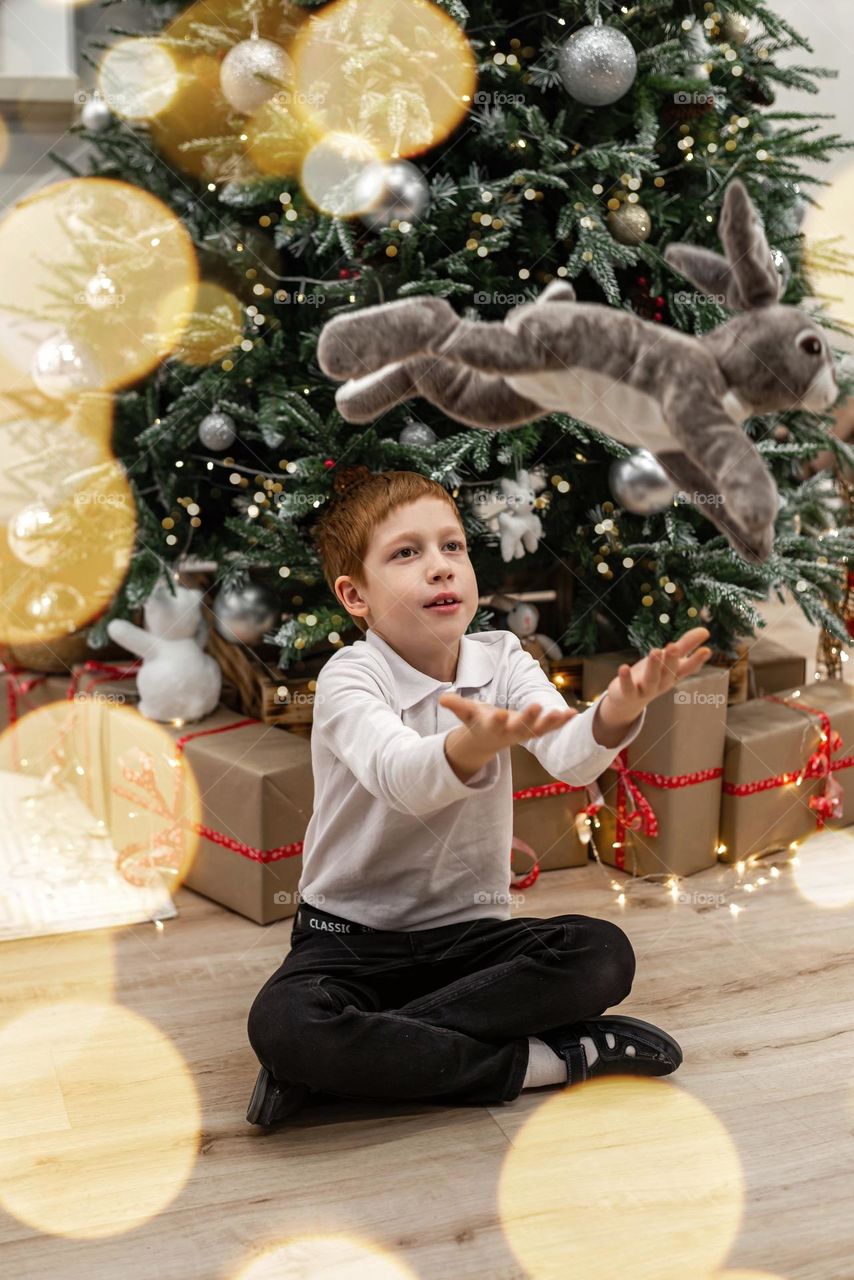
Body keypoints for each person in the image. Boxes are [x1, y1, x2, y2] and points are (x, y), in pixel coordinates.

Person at [246, 470, 712, 1126]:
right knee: (285, 1025)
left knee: (602, 954)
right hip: (347, 939)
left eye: (452, 547)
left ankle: (347, 1064)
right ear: (355, 595)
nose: (439, 567)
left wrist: (615, 710)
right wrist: (469, 746)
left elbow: (573, 757)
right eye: (407, 553)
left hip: (468, 939)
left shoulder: (505, 659)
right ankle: (541, 1063)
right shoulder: (350, 676)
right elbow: (400, 778)